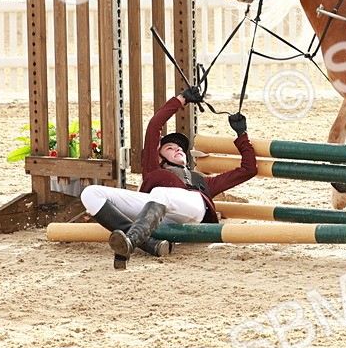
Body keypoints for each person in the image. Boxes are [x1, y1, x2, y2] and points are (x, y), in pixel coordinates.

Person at [79, 87, 257, 268]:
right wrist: (181, 99)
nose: (178, 149)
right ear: (160, 158)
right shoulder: (153, 169)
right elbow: (154, 125)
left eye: (180, 148)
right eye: (169, 148)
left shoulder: (202, 180)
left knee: (160, 192)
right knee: (90, 193)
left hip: (191, 210)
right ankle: (148, 243)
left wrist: (242, 135)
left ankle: (131, 241)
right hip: (155, 213)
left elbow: (248, 170)